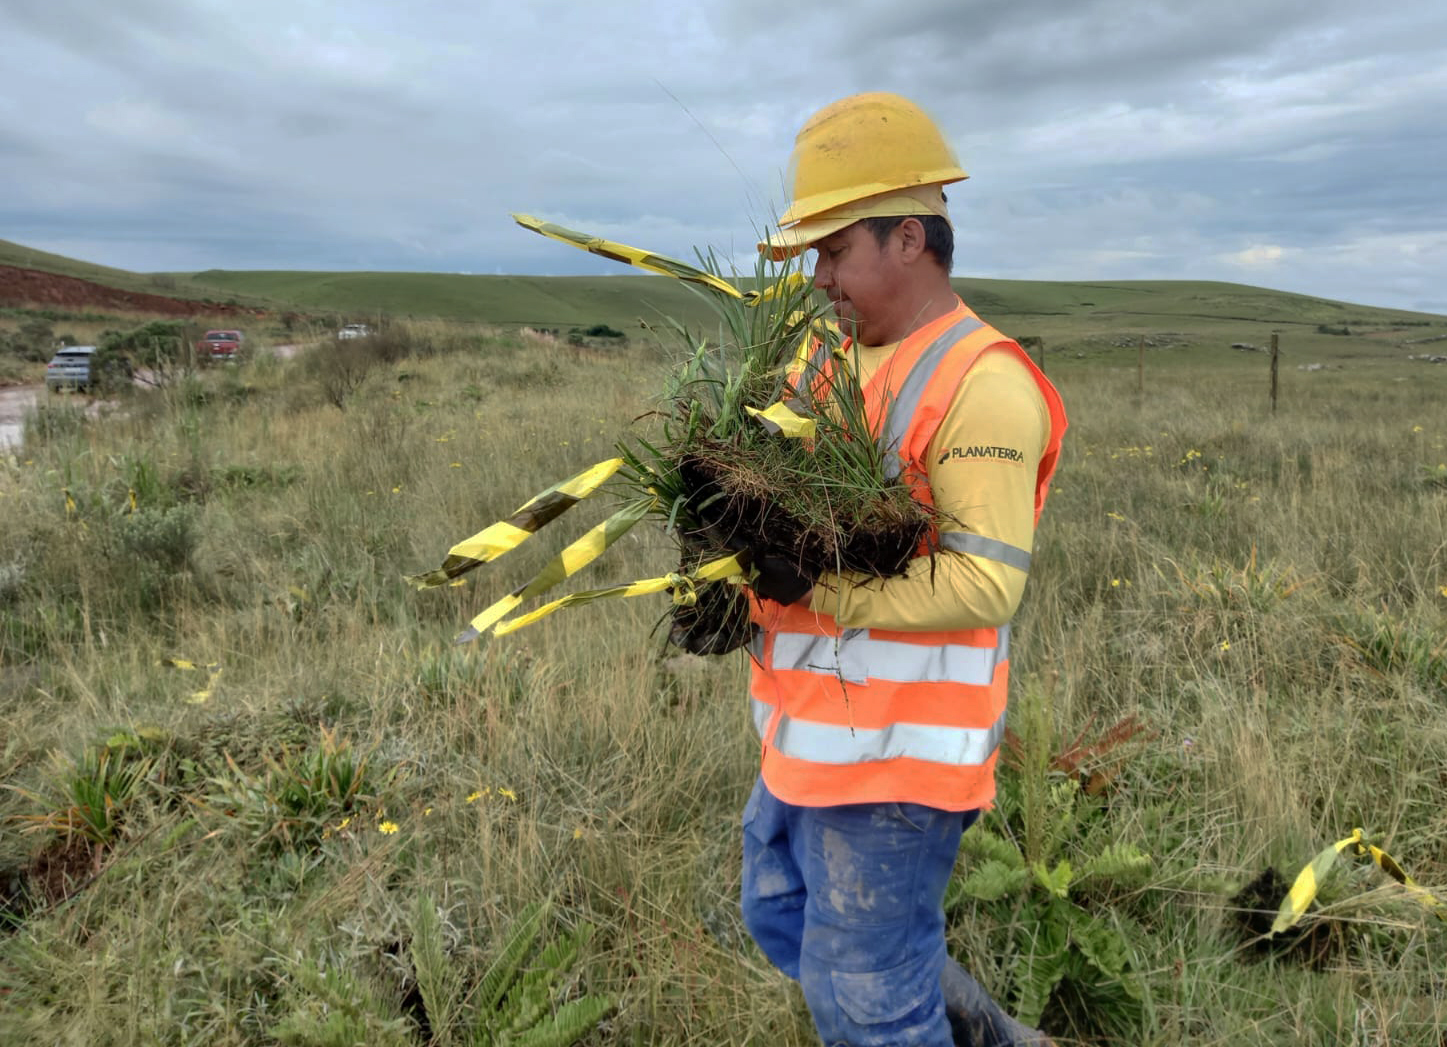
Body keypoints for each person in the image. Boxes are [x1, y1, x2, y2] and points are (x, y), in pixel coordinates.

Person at [739, 92, 1067, 1045]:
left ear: (910, 239)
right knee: (784, 917)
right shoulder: (832, 361)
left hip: (894, 760)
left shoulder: (982, 383)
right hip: (810, 733)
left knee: (864, 993)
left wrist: (822, 590)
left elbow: (984, 582)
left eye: (835, 250)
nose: (818, 276)